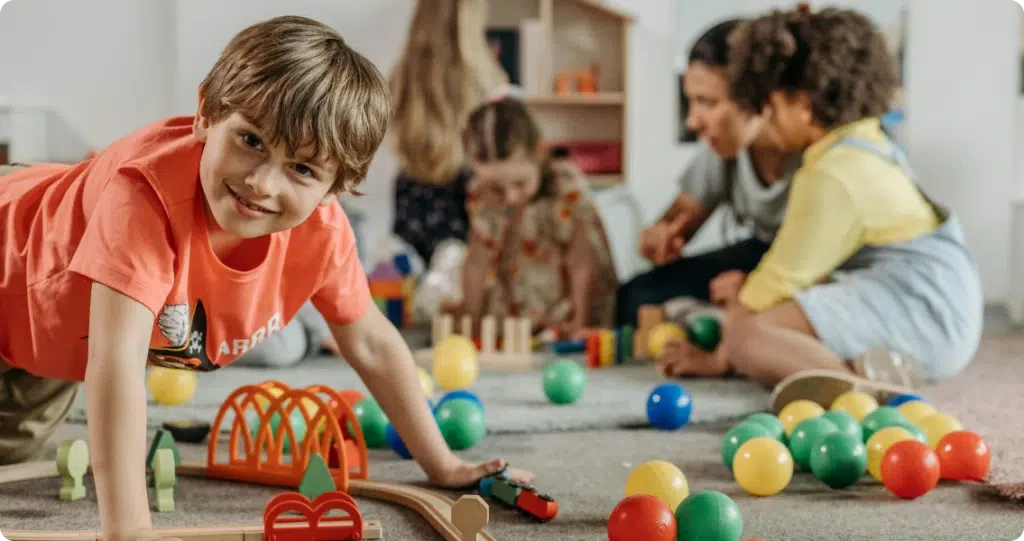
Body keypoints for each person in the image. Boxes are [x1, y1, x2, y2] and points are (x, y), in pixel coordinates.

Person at [0, 16, 531, 541]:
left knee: (10, 454)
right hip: (11, 249)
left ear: (336, 187)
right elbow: (115, 365)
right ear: (206, 113)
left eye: (302, 169)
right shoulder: (144, 199)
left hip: (45, 339)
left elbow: (370, 341)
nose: (260, 182)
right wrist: (130, 529)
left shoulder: (321, 233)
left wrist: (442, 465)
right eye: (250, 140)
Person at [713, 6, 983, 408]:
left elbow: (777, 281)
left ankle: (856, 392)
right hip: (942, 303)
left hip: (923, 310)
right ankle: (866, 367)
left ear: (803, 104)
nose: (768, 122)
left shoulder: (831, 173)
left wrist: (728, 330)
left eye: (772, 109)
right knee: (776, 319)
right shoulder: (870, 141)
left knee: (747, 336)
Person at [614, 19, 800, 375]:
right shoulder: (724, 151)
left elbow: (819, 268)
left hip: (812, 268)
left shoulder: (815, 159)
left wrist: (757, 293)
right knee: (635, 296)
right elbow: (682, 215)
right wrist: (660, 236)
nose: (692, 121)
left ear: (756, 97)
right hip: (760, 251)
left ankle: (732, 341)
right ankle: (721, 326)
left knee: (761, 313)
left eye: (707, 102)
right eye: (690, 102)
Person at [455, 97, 619, 339]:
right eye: (496, 188)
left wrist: (580, 320)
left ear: (540, 153)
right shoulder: (482, 195)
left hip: (568, 300)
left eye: (520, 184)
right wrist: (473, 321)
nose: (510, 197)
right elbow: (476, 263)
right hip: (516, 304)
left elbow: (581, 261)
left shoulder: (565, 187)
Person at [388, 0, 510, 264]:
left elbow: (393, 136)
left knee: (412, 289)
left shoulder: (403, 75)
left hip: (413, 197)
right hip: (465, 199)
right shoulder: (487, 79)